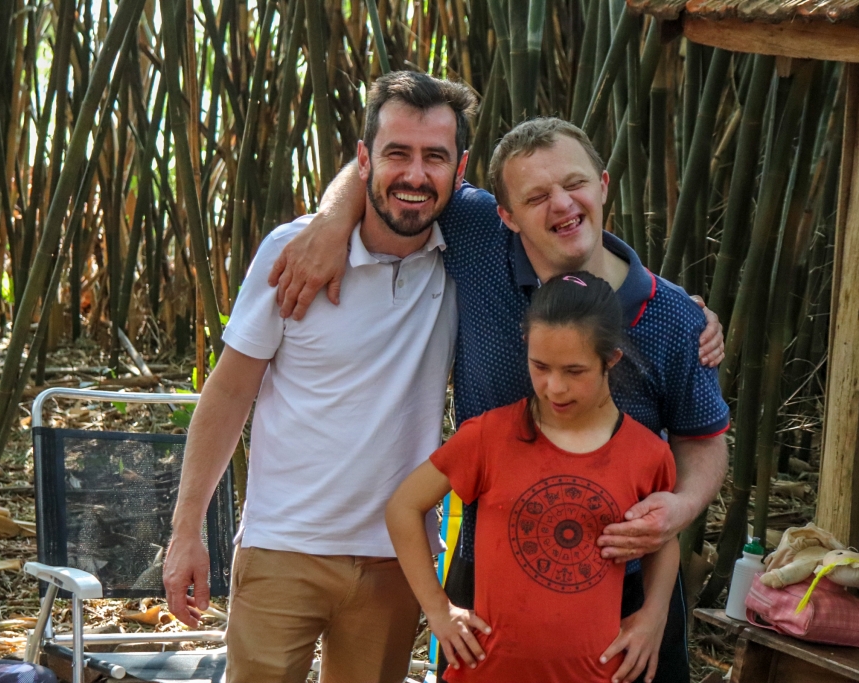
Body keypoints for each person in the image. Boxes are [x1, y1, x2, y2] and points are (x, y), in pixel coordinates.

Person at [268, 116, 730, 683]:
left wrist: (680, 510)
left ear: (604, 185)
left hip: (627, 587)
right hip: (490, 572)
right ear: (506, 215)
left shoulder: (674, 318)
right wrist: (331, 221)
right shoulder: (478, 234)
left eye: (575, 184)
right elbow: (393, 170)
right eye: (536, 197)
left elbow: (702, 440)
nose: (563, 205)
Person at [161, 71, 477, 683]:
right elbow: (229, 392)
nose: (415, 175)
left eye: (434, 157)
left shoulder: (466, 258)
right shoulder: (295, 252)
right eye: (397, 153)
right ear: (364, 159)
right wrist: (186, 530)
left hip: (396, 557)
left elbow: (561, 226)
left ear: (459, 169)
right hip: (284, 546)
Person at [387, 272, 679, 683]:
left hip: (594, 674)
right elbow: (403, 506)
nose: (554, 387)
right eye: (540, 366)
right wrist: (437, 609)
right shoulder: (488, 436)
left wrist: (654, 616)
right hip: (484, 672)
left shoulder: (648, 454)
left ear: (611, 359)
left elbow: (663, 539)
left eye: (575, 371)